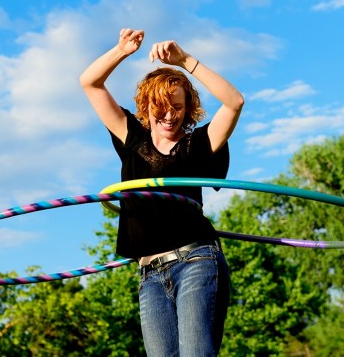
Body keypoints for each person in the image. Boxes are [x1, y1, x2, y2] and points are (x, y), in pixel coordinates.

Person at [79, 28, 244, 356]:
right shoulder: (131, 138)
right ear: (146, 105)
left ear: (188, 108)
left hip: (196, 260)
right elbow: (89, 83)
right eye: (162, 107)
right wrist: (121, 51)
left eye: (178, 107)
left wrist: (185, 61)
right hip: (149, 275)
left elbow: (234, 102)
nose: (170, 115)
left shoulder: (197, 144)